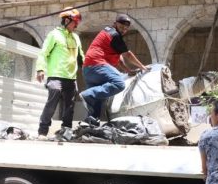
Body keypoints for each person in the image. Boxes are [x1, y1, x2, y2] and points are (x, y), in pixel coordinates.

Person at [79, 13, 149, 124]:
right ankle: (87, 94)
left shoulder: (108, 33)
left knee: (97, 100)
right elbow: (128, 55)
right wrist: (142, 67)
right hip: (97, 64)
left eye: (125, 29)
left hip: (88, 70)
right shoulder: (114, 35)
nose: (123, 30)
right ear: (115, 24)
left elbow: (119, 59)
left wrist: (128, 71)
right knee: (119, 83)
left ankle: (90, 126)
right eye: (121, 27)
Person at [35, 8, 84, 140]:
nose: (76, 25)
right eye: (75, 22)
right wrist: (40, 69)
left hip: (71, 78)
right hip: (56, 75)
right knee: (52, 102)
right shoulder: (54, 35)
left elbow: (81, 56)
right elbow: (43, 52)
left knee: (69, 107)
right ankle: (42, 131)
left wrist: (88, 65)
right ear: (67, 20)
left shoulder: (76, 37)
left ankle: (66, 132)